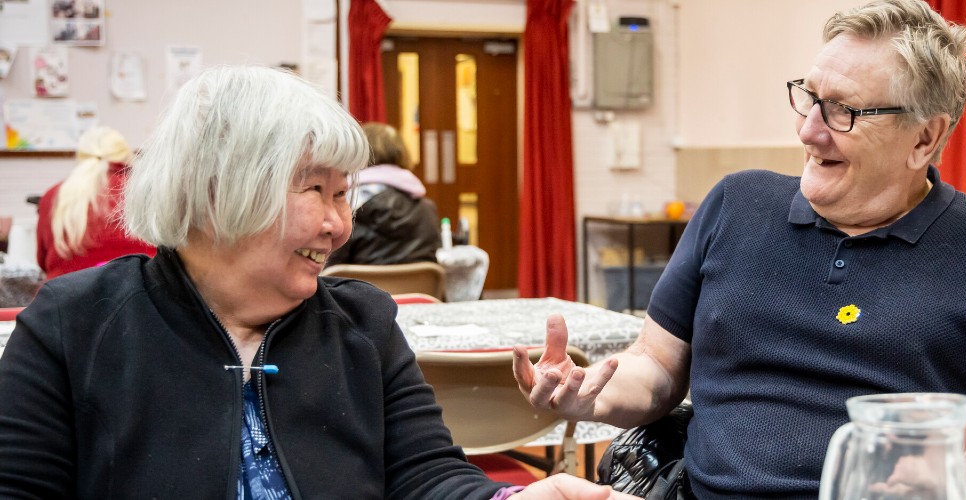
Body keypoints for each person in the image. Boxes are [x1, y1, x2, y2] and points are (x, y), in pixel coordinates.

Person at [514, 1, 966, 498]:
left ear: (926, 137)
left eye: (843, 110)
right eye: (810, 96)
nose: (809, 130)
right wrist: (592, 392)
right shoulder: (734, 204)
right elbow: (658, 368)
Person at [0, 66, 636, 500]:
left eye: (344, 194)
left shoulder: (362, 324)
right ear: (220, 194)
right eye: (317, 190)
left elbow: (426, 478)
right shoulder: (73, 325)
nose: (340, 226)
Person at [35, 126, 156, 279]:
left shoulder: (54, 195)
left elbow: (42, 259)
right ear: (126, 155)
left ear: (81, 156)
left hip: (68, 294)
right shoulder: (146, 190)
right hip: (140, 291)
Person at [324, 122, 440, 267]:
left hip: (359, 289)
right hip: (417, 290)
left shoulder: (347, 204)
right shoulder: (427, 209)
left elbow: (329, 266)